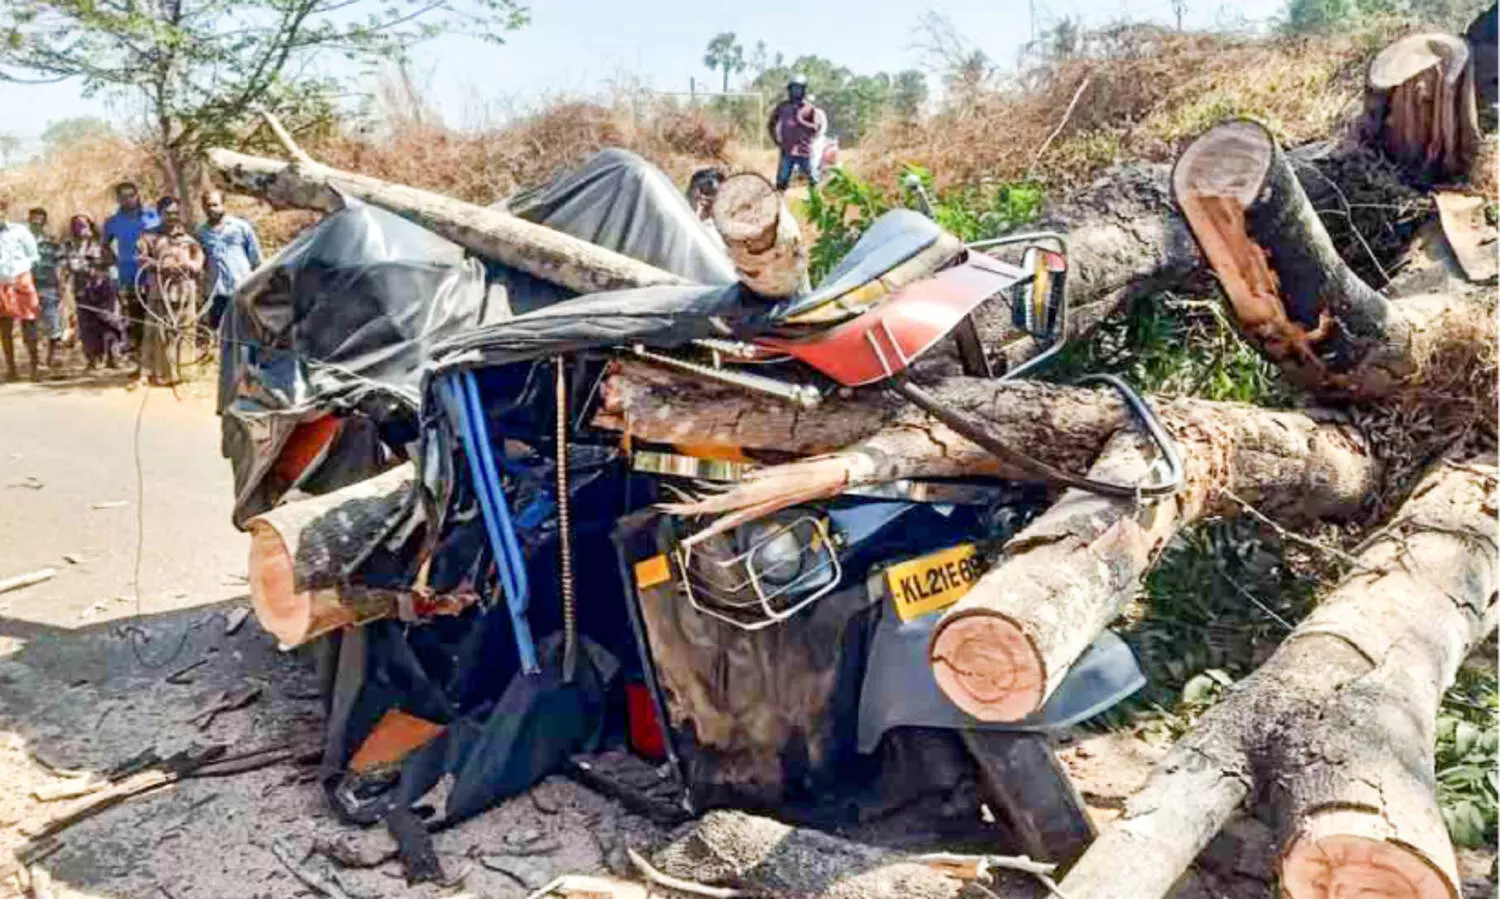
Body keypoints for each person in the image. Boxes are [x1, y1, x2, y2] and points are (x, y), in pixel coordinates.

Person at [134, 199, 204, 386]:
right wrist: (161, 266)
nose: (172, 216)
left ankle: (184, 373)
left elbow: (199, 259)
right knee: (160, 332)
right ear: (160, 213)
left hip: (185, 290)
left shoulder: (189, 237)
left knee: (185, 330)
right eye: (168, 213)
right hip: (160, 291)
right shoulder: (149, 236)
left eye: (175, 212)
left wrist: (190, 265)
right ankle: (160, 374)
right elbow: (141, 259)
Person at [102, 182, 159, 363]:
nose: (128, 199)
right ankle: (140, 362)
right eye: (123, 196)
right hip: (128, 276)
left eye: (131, 195)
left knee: (157, 316)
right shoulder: (113, 222)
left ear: (137, 195)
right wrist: (114, 267)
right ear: (118, 199)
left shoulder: (153, 216)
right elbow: (105, 246)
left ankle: (159, 361)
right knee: (135, 318)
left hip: (155, 274)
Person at [63, 214, 125, 371]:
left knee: (110, 322)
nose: (81, 228)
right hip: (82, 291)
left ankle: (113, 358)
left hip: (104, 289)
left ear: (90, 225)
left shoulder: (101, 244)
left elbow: (112, 266)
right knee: (87, 326)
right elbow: (67, 268)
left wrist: (114, 285)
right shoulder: (70, 246)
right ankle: (92, 360)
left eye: (83, 224)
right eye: (77, 225)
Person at [198, 189, 262, 333]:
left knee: (245, 333)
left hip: (242, 289)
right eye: (207, 205)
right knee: (219, 334)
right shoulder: (202, 233)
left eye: (215, 205)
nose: (211, 209)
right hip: (216, 293)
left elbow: (256, 259)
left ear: (223, 205)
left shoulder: (241, 227)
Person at [0, 190, 42, 381]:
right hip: (1, 284)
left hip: (21, 280)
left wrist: (21, 273)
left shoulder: (20, 231)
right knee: (5, 327)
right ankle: (12, 370)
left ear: (5, 210)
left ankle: (35, 367)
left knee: (29, 323)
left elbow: (34, 256)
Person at [766, 74, 827, 191]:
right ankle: (780, 200)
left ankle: (816, 199)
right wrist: (776, 140)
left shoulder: (809, 108)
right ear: (789, 90)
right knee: (782, 180)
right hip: (787, 150)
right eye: (794, 88)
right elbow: (771, 124)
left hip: (804, 151)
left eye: (799, 88)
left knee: (813, 179)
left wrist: (802, 121)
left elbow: (816, 128)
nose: (796, 91)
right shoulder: (783, 107)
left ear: (803, 90)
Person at [27, 208, 64, 368]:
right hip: (27, 286)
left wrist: (61, 285)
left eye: (40, 219)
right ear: (29, 220)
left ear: (44, 221)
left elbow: (60, 263)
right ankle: (34, 361)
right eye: (34, 218)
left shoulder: (52, 240)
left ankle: (53, 357)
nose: (37, 221)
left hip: (49, 285)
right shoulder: (23, 239)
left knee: (52, 320)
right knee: (30, 323)